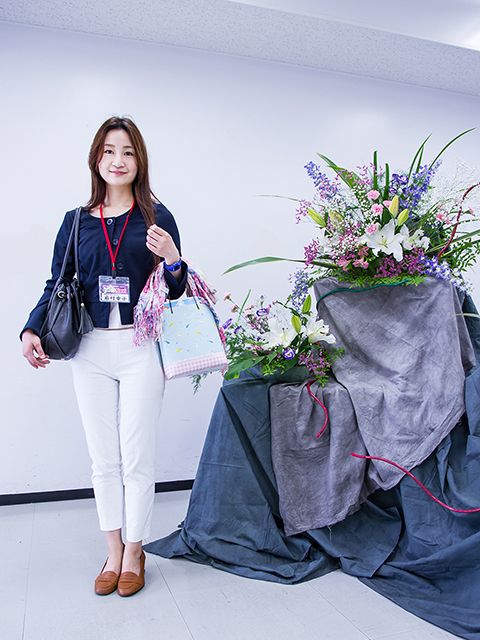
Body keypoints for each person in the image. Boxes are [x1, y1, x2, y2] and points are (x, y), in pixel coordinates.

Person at [21, 116, 187, 596]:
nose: (119, 160)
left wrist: (174, 258)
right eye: (110, 151)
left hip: (140, 345)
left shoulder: (156, 216)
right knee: (103, 460)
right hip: (88, 348)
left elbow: (175, 289)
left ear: (140, 161)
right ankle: (113, 550)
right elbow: (57, 284)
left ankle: (135, 549)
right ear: (97, 158)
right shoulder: (75, 222)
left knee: (136, 457)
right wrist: (31, 328)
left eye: (129, 152)